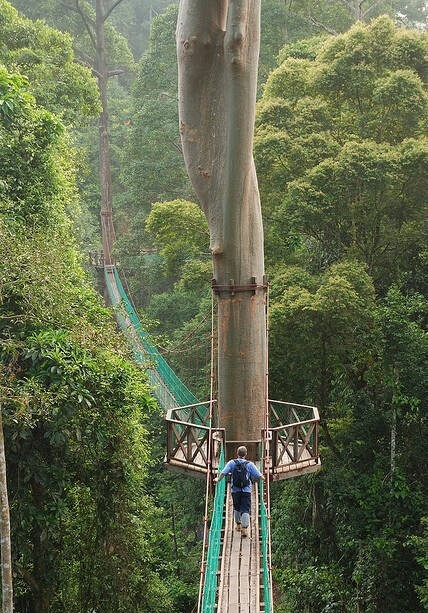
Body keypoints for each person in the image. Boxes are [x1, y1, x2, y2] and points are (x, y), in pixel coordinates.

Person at [214, 445, 263, 537]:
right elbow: (258, 475)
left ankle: (238, 525)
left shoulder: (231, 463)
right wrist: (265, 478)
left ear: (237, 454)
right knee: (245, 509)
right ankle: (245, 529)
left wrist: (218, 479)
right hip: (246, 490)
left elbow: (223, 473)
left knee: (236, 507)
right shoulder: (250, 464)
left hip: (235, 490)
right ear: (246, 454)